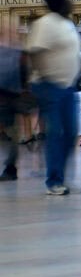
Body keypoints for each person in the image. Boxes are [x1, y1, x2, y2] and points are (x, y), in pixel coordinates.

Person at [26, 0, 81, 196]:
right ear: (59, 2)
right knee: (57, 132)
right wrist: (41, 76)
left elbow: (72, 52)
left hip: (67, 86)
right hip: (49, 85)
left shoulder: (67, 24)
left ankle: (60, 177)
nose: (71, 1)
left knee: (70, 133)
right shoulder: (45, 24)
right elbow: (33, 52)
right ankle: (54, 181)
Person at [0, 34, 28, 182]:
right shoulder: (17, 52)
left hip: (5, 99)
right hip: (12, 98)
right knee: (12, 135)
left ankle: (10, 168)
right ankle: (11, 168)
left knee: (11, 135)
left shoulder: (12, 53)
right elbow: (25, 74)